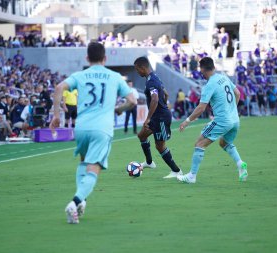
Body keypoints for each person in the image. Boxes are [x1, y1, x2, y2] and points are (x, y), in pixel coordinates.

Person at [50, 42, 136, 224]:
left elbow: (58, 88)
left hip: (81, 127)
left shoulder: (80, 75)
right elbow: (133, 101)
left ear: (87, 58)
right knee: (93, 169)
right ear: (105, 58)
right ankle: (74, 203)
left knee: (83, 162)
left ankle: (82, 202)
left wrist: (57, 116)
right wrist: (120, 109)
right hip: (101, 128)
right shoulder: (114, 77)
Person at [178, 57, 247, 183]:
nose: (201, 73)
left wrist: (187, 121)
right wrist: (232, 110)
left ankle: (192, 176)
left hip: (222, 120)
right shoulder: (223, 77)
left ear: (203, 69)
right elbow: (237, 93)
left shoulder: (210, 85)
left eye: (201, 70)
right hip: (235, 120)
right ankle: (240, 164)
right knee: (223, 143)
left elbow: (201, 108)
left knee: (199, 144)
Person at [133, 56, 183, 179]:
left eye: (137, 69)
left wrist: (148, 118)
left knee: (160, 146)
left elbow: (155, 99)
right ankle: (149, 163)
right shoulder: (154, 78)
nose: (137, 72)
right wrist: (163, 105)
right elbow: (165, 93)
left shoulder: (151, 82)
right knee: (142, 135)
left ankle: (176, 171)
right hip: (158, 115)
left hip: (159, 118)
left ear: (143, 68)